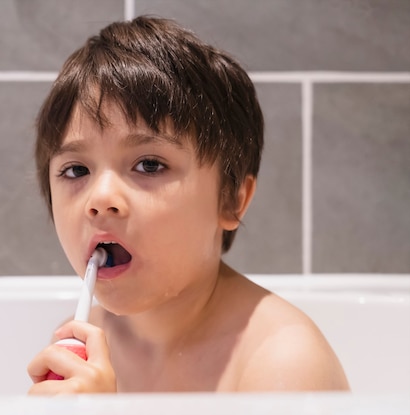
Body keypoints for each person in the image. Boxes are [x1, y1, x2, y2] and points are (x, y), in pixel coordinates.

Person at [27, 15, 349, 394]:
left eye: (149, 165)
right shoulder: (82, 345)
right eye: (76, 169)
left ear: (232, 200)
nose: (100, 200)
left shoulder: (284, 362)